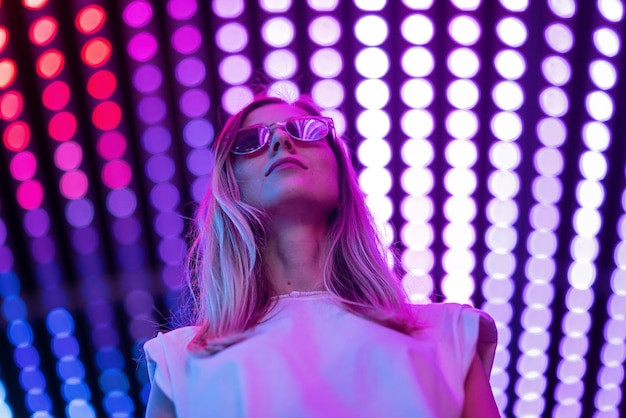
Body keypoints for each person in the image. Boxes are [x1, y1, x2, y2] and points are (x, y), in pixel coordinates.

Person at [143, 93, 501, 418]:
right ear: (230, 186)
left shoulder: (445, 336)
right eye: (251, 140)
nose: (282, 141)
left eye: (306, 130)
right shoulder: (183, 361)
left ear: (341, 173)